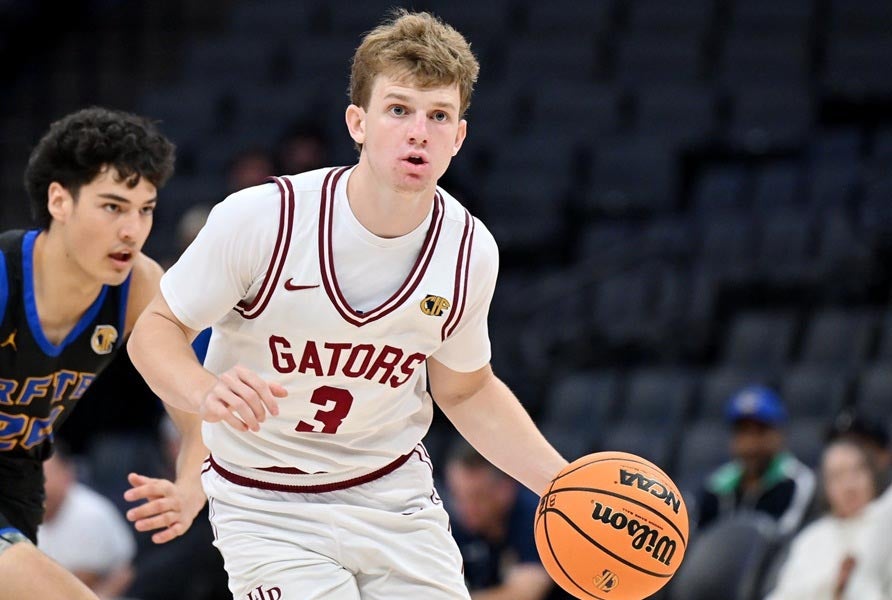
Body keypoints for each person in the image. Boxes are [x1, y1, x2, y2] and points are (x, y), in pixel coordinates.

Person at [127, 10, 568, 599]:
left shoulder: (468, 250)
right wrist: (201, 390)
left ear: (459, 137)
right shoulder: (262, 219)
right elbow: (154, 329)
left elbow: (464, 389)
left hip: (393, 495)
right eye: (399, 109)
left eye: (439, 115)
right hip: (267, 503)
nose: (419, 131)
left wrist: (563, 484)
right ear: (357, 122)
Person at [0, 106, 176, 600]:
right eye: (113, 206)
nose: (132, 229)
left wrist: (190, 484)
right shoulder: (4, 277)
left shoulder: (139, 283)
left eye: (145, 209)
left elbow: (194, 399)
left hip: (18, 477)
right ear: (59, 200)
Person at [445, 439, 565, 600]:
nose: (466, 508)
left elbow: (523, 594)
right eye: (458, 496)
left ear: (505, 488)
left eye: (478, 497)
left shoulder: (538, 517)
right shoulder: (456, 524)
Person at [766, 438, 885, 600]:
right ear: (826, 486)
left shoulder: (886, 521)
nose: (850, 485)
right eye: (838, 476)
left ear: (872, 475)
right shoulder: (811, 539)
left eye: (857, 471)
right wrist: (834, 585)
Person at [695, 385, 816, 535]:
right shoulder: (716, 485)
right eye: (742, 432)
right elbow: (701, 539)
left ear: (779, 435)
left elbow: (785, 539)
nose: (750, 444)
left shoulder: (797, 481)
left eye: (760, 432)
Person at [38, 442, 136, 598]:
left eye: (43, 474)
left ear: (67, 473)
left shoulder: (92, 513)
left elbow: (124, 570)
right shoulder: (16, 511)